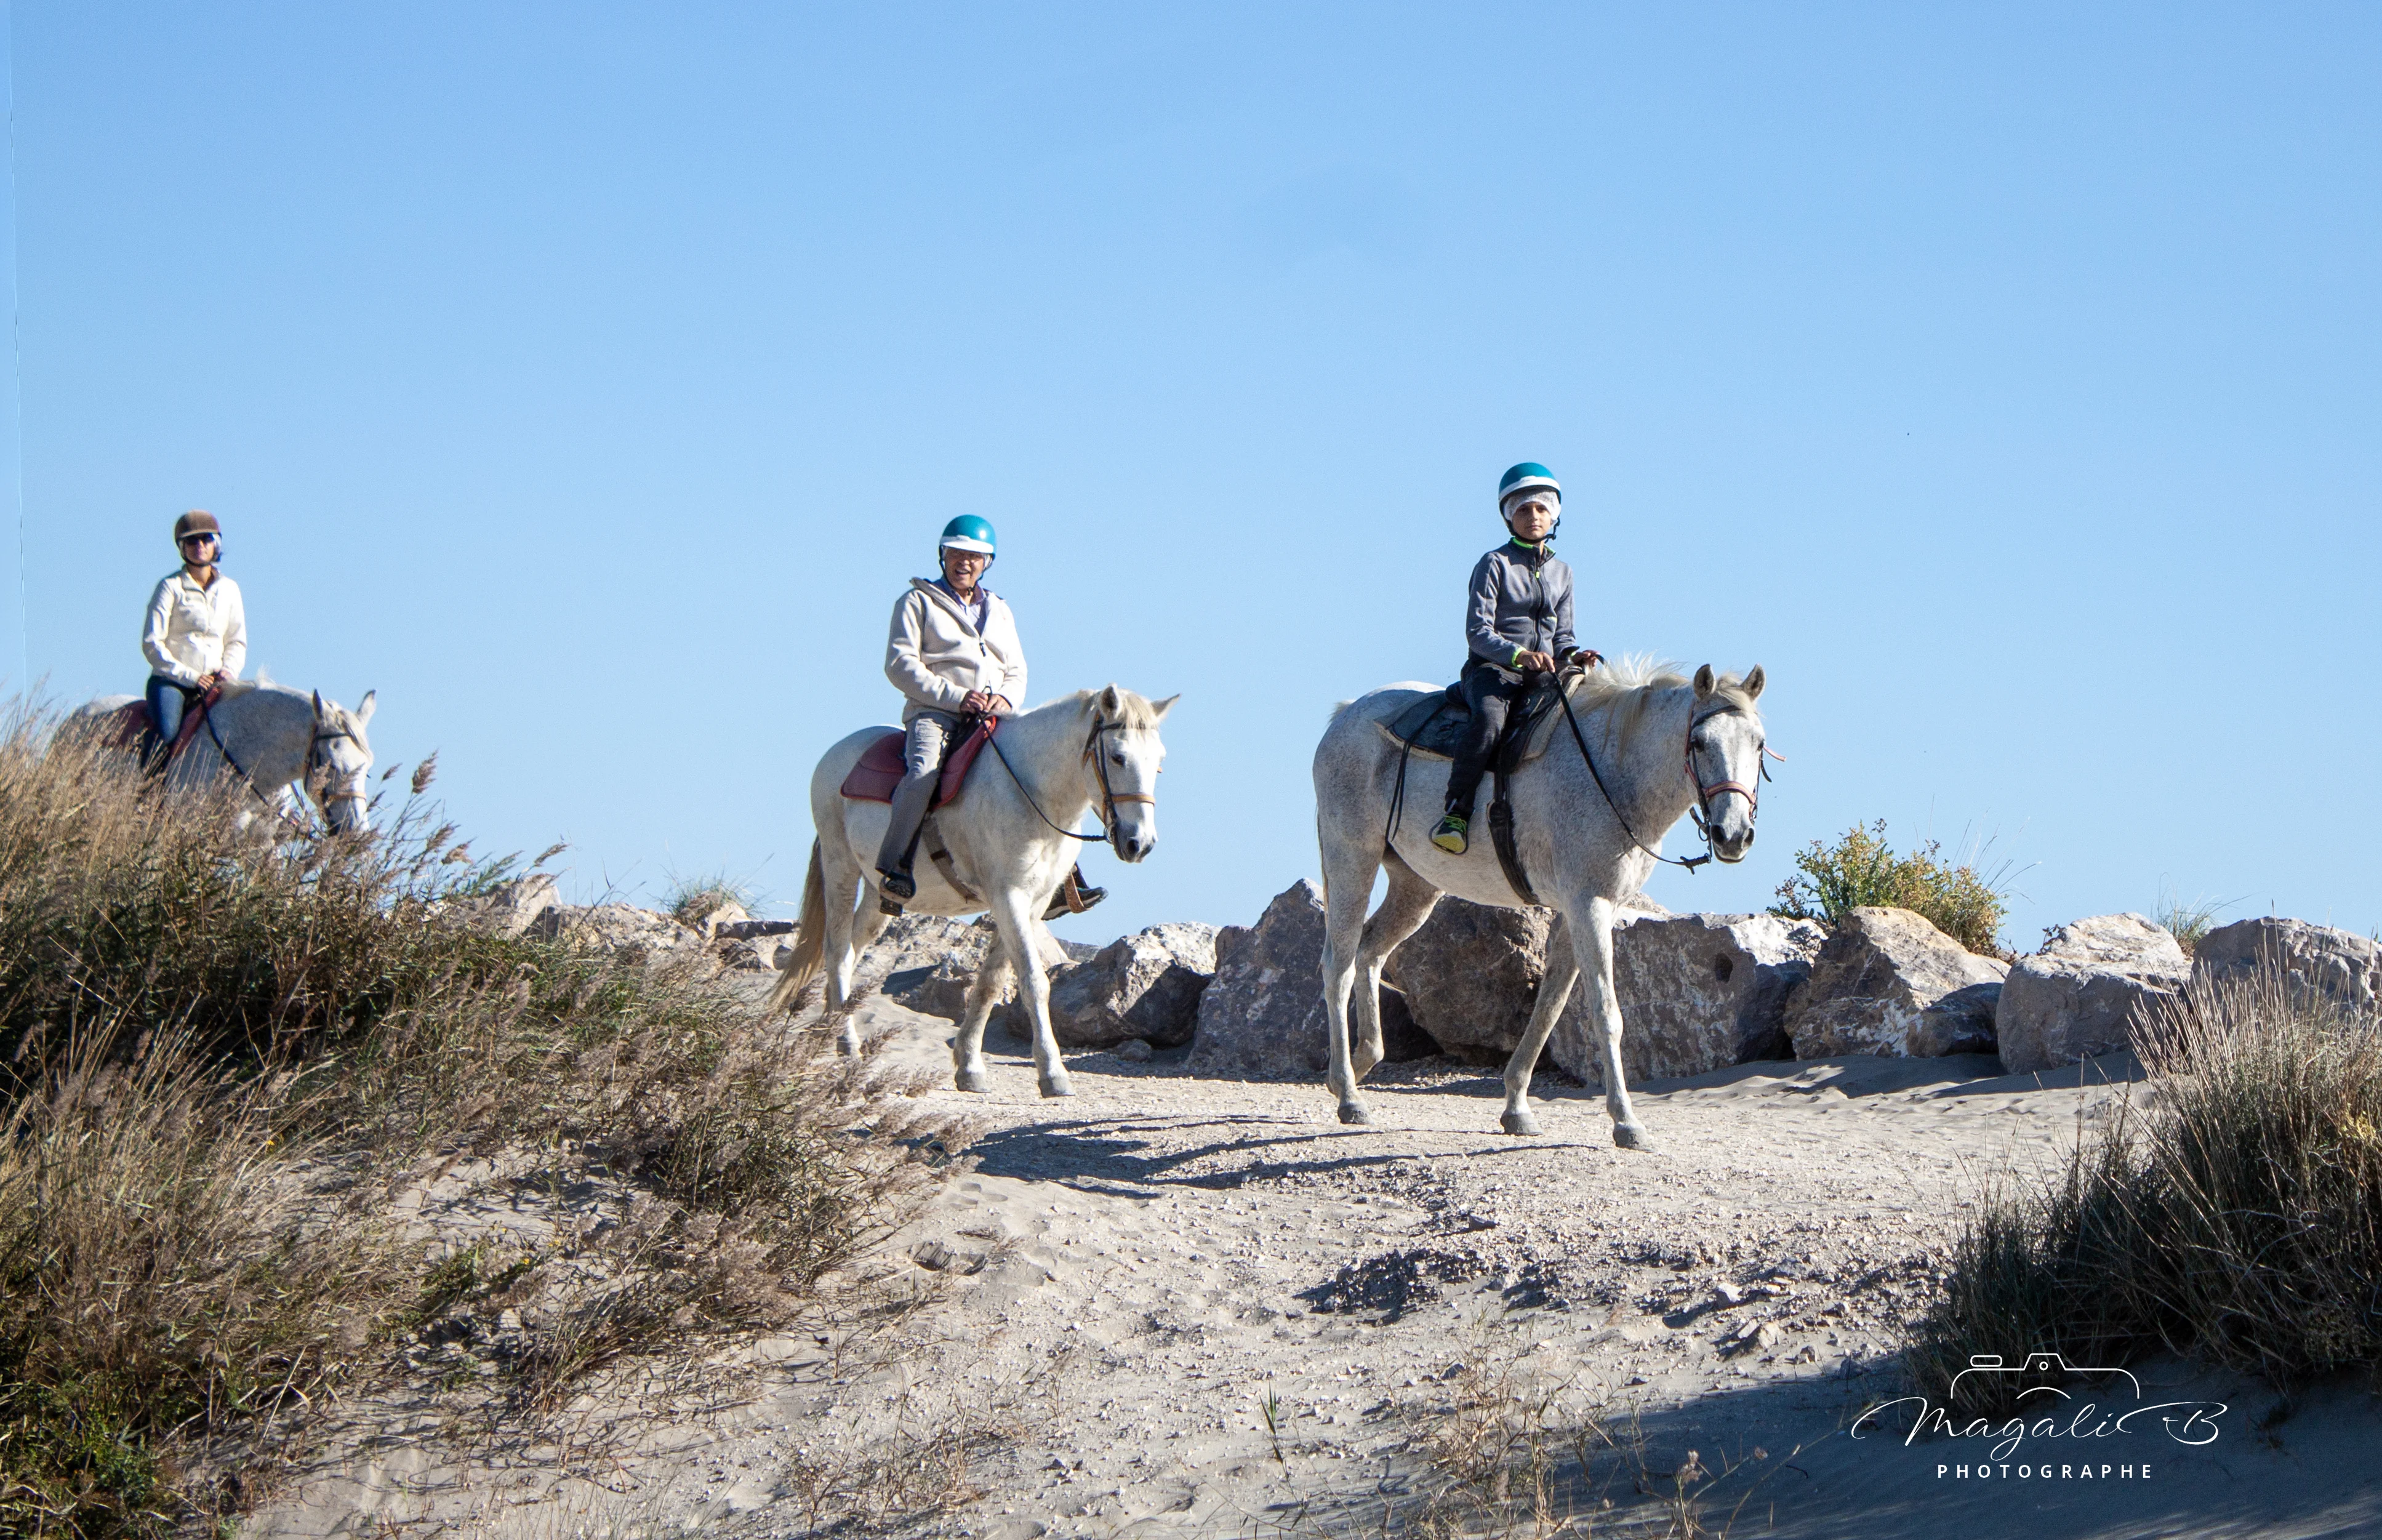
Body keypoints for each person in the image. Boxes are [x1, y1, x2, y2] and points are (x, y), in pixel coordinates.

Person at [1430, 463, 1602, 855]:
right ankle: (1456, 811)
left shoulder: (1564, 573)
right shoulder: (1494, 564)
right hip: (1491, 670)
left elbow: (1564, 638)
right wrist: (1519, 655)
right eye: (1523, 510)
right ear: (1510, 517)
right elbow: (1477, 632)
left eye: (1542, 509)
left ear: (1554, 514)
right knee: (1490, 721)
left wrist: (1576, 656)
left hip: (1542, 676)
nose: (1534, 517)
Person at [877, 515, 1030, 904]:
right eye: (957, 553)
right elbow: (900, 664)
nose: (965, 562)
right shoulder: (916, 602)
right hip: (937, 712)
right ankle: (896, 866)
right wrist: (955, 696)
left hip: (994, 714)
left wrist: (1007, 698)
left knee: (1039, 768)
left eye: (975, 556)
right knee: (923, 770)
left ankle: (1062, 881)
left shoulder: (1000, 609)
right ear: (942, 555)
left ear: (988, 562)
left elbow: (1017, 669)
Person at [139, 510, 246, 772]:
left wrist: (228, 671)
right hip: (172, 681)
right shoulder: (170, 587)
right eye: (191, 541)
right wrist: (190, 677)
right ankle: (145, 795)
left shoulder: (230, 589)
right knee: (167, 731)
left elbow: (236, 640)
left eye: (205, 540)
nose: (199, 546)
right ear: (182, 548)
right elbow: (152, 642)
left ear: (215, 544)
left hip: (217, 683)